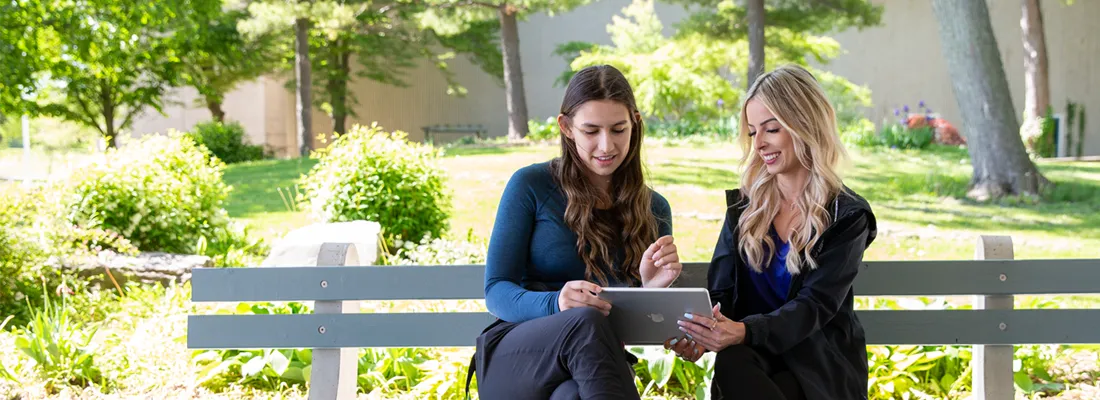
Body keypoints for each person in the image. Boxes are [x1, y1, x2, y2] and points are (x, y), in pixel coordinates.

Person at [469, 64, 682, 400]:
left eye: (618, 129)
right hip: (517, 357)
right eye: (591, 130)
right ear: (566, 127)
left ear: (635, 124)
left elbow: (624, 320)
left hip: (590, 364)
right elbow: (495, 292)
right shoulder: (531, 186)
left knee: (571, 396)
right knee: (584, 321)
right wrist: (556, 303)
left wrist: (649, 290)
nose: (606, 145)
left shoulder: (654, 208)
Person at [666, 64, 878, 400]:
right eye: (753, 132)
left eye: (772, 129)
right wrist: (704, 334)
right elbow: (722, 293)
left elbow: (816, 305)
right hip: (752, 361)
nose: (759, 143)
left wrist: (745, 331)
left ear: (804, 125)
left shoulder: (846, 215)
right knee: (733, 362)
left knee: (741, 368)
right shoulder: (744, 209)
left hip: (818, 367)